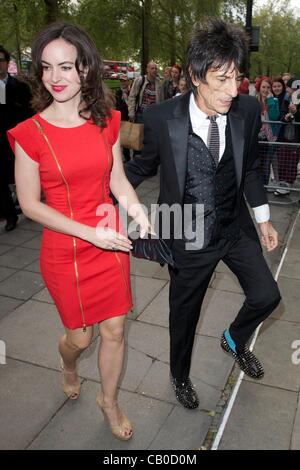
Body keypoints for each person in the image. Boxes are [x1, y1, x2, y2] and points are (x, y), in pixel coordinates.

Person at [125, 18, 281, 409]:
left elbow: (248, 171)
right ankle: (179, 375)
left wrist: (262, 218)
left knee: (266, 295)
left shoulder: (245, 109)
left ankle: (233, 338)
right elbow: (137, 169)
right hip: (188, 238)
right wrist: (97, 196)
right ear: (196, 75)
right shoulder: (162, 118)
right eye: (222, 79)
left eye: (237, 78)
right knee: (185, 317)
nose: (233, 90)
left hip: (233, 228)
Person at [7, 22, 150, 440]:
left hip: (109, 242)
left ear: (86, 69)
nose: (55, 77)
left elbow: (118, 181)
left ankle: (109, 400)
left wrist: (137, 210)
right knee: (81, 338)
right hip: (66, 251)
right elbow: (32, 205)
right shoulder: (30, 134)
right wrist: (91, 234)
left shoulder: (105, 122)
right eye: (47, 67)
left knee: (115, 330)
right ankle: (68, 365)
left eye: (66, 66)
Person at [0, 45, 32, 231]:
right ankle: (10, 214)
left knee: (23, 176)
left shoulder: (20, 87)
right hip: (0, 142)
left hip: (18, 140)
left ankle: (29, 206)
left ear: (7, 62)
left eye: (1, 61)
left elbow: (29, 113)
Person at [115, 73, 131, 162]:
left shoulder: (131, 90)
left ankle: (136, 156)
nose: (123, 83)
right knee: (124, 137)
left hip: (130, 116)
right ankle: (127, 157)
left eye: (125, 81)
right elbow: (116, 104)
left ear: (128, 81)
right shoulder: (119, 92)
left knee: (132, 135)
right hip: (121, 117)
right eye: (121, 81)